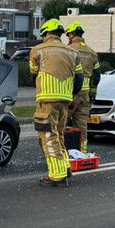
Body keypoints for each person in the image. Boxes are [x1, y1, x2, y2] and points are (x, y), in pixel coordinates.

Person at [29, 18, 82, 188]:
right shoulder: (73, 52)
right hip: (65, 99)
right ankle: (65, 167)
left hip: (47, 99)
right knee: (59, 135)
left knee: (48, 136)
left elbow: (33, 72)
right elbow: (79, 79)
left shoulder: (38, 50)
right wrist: (69, 94)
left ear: (45, 33)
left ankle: (57, 175)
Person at [64, 21, 100, 153]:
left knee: (62, 123)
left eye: (68, 35)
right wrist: (92, 93)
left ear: (72, 35)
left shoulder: (69, 50)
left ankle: (62, 152)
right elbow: (96, 76)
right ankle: (82, 152)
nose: (68, 38)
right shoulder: (91, 52)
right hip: (85, 96)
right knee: (81, 126)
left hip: (71, 93)